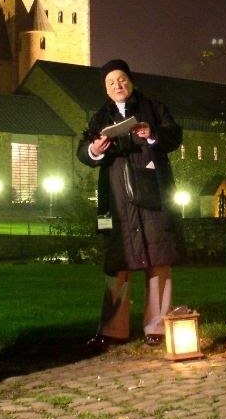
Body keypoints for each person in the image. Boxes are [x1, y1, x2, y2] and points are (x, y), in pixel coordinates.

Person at [79, 59, 184, 348]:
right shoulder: (100, 116)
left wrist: (152, 135)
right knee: (117, 264)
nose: (118, 86)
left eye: (122, 80)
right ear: (106, 89)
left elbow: (174, 135)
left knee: (158, 260)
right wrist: (95, 150)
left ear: (131, 81)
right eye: (111, 83)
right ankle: (113, 329)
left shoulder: (153, 107)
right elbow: (83, 151)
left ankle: (157, 326)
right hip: (116, 199)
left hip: (152, 195)